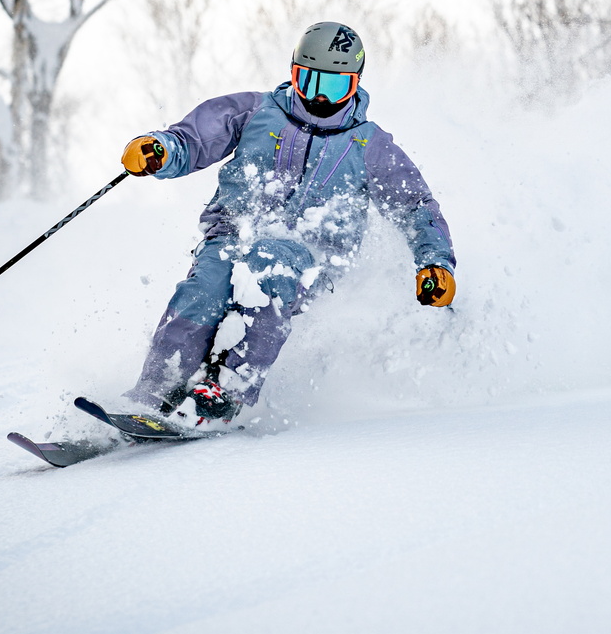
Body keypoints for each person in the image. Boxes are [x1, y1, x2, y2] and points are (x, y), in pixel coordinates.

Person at [119, 22, 456, 427]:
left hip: (313, 256)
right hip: (234, 231)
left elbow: (415, 205)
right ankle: (155, 391)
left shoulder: (368, 144)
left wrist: (435, 262)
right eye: (307, 79)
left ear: (354, 86)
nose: (316, 96)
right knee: (203, 289)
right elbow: (192, 140)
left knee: (271, 263)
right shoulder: (257, 112)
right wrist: (161, 150)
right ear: (293, 73)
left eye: (332, 88)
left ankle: (226, 388)